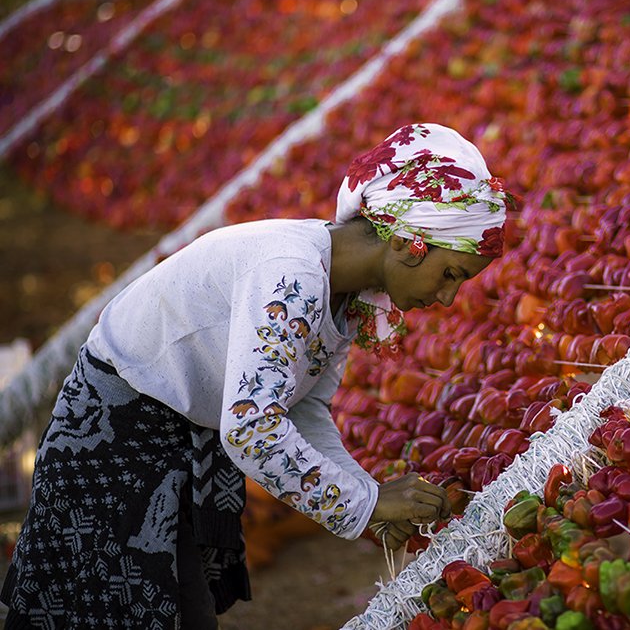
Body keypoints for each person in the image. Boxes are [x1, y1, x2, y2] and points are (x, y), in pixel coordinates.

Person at [0, 123, 512, 628]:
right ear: (406, 242)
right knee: (119, 608)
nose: (448, 298)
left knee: (172, 606)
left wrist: (367, 497)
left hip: (178, 431)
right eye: (450, 274)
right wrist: (367, 503)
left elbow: (303, 409)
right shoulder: (293, 274)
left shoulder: (344, 295)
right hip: (118, 436)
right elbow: (251, 428)